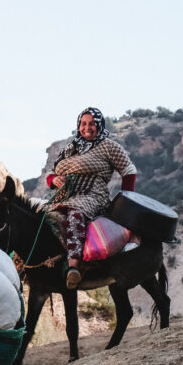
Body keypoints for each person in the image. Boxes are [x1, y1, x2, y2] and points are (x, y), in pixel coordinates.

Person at [46, 107, 137, 289]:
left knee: (75, 214)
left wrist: (127, 199)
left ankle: (74, 267)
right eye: (83, 123)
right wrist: (54, 180)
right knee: (39, 218)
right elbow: (51, 172)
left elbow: (129, 170)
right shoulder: (70, 148)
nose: (87, 127)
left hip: (92, 194)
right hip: (65, 196)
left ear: (99, 125)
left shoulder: (108, 146)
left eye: (92, 124)